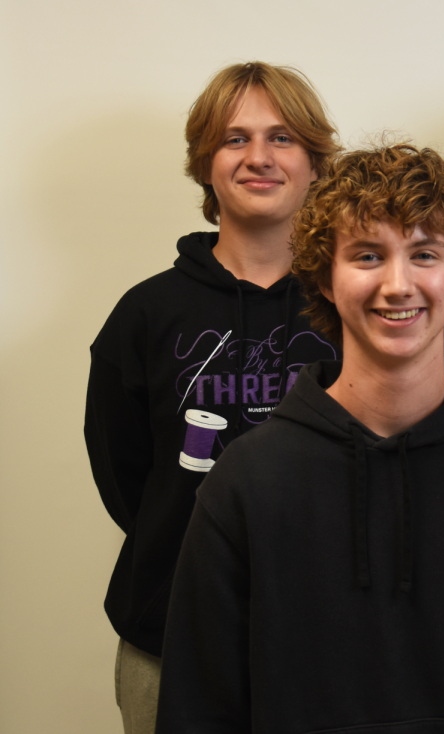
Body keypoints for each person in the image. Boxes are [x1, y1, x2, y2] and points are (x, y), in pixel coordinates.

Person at [155, 143, 444, 733]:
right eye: (368, 255)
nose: (398, 284)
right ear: (322, 276)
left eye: (424, 254)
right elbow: (199, 708)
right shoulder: (247, 481)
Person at [84, 61, 339, 734]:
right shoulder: (143, 315)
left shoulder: (359, 304)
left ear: (315, 161)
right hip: (170, 635)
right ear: (205, 163)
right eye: (235, 139)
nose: (259, 156)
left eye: (282, 138)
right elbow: (130, 484)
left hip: (333, 640)